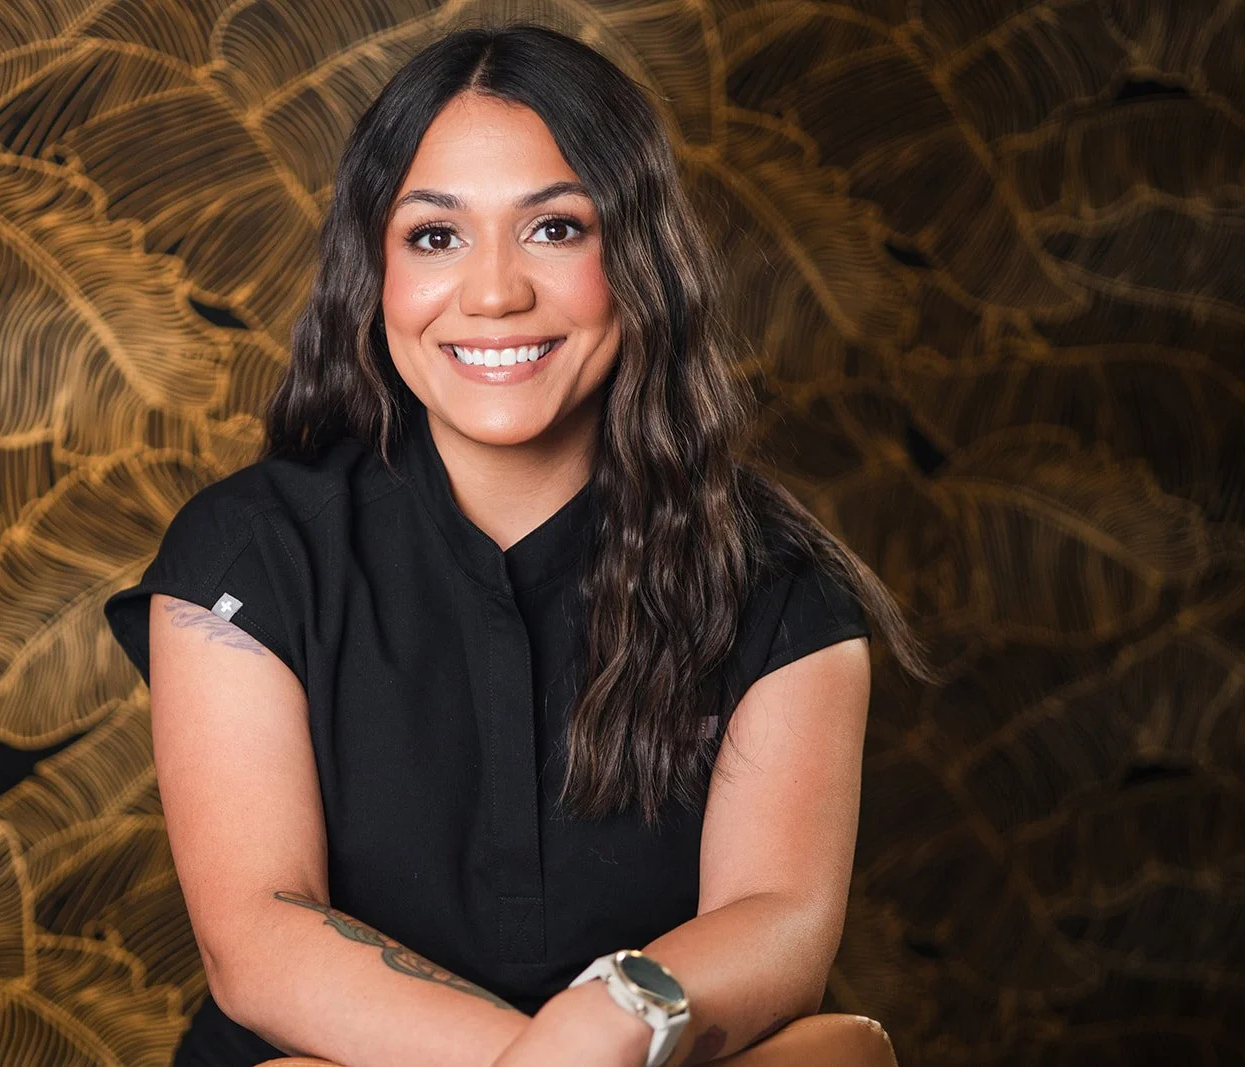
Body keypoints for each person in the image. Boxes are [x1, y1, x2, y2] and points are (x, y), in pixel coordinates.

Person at [103, 21, 938, 1067]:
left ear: (638, 259)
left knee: (843, 1053)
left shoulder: (780, 582)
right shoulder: (244, 554)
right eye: (435, 236)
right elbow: (259, 941)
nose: (494, 292)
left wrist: (612, 1021)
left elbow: (778, 918)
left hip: (639, 1054)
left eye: (555, 228)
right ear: (372, 269)